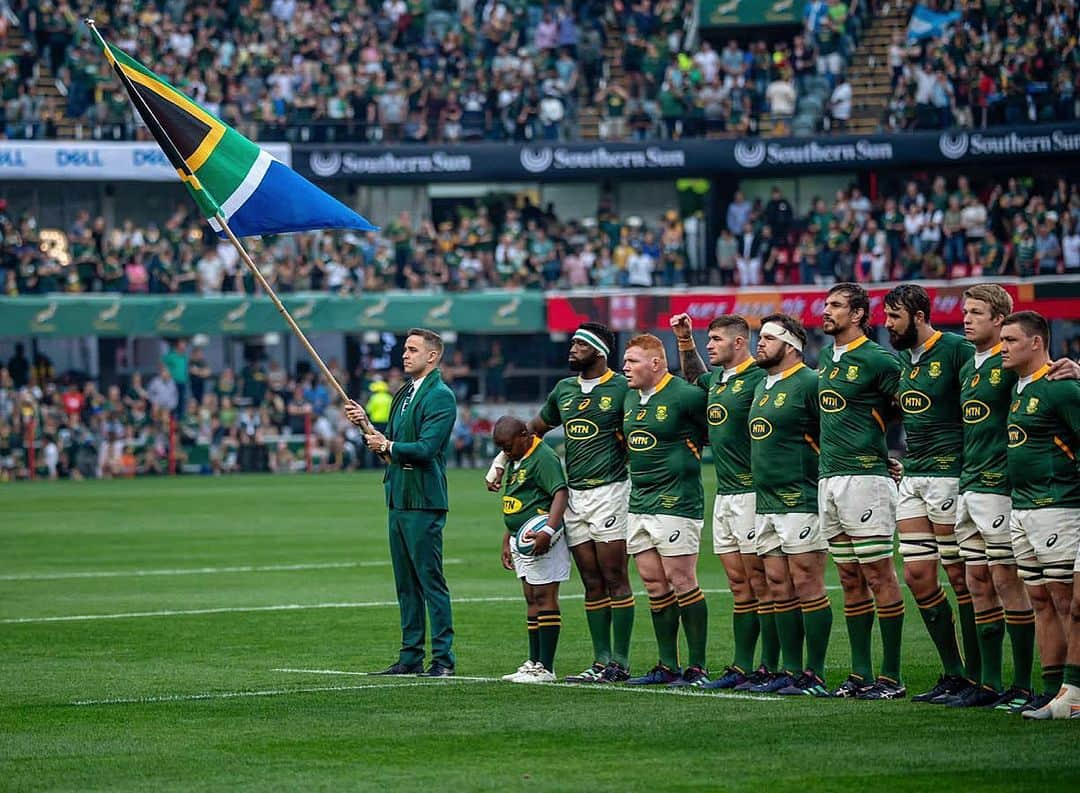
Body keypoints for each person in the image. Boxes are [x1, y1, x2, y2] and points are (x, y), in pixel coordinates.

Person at [487, 322, 635, 684]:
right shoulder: (564, 390)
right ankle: (601, 662)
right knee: (591, 581)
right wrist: (501, 462)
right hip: (576, 496)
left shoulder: (621, 387)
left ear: (598, 351)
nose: (571, 350)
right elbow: (531, 429)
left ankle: (621, 661)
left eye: (578, 345)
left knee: (615, 576)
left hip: (611, 490)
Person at [883, 284, 981, 704]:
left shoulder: (957, 351)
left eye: (894, 317)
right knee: (918, 576)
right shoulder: (902, 361)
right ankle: (954, 672)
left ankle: (980, 678)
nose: (887, 325)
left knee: (961, 577)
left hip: (951, 476)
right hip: (915, 475)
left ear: (919, 316)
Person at [670, 313, 777, 691]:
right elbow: (697, 378)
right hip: (726, 493)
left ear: (738, 342)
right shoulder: (718, 379)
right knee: (738, 583)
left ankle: (769, 666)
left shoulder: (760, 378)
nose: (710, 344)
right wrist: (685, 341)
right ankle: (742, 666)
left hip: (754, 492)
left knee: (761, 582)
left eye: (715, 339)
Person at [346, 328, 457, 677]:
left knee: (429, 580)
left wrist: (388, 446)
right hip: (397, 496)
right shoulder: (404, 393)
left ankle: (442, 659)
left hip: (423, 499)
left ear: (432, 356)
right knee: (405, 584)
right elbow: (389, 449)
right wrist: (367, 427)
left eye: (412, 350)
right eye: (405, 349)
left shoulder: (440, 396)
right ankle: (410, 657)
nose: (404, 355)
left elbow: (426, 449)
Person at [818, 283, 907, 700]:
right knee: (850, 578)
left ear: (857, 314)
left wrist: (886, 448)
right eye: (826, 304)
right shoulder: (825, 357)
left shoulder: (879, 359)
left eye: (835, 305)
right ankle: (859, 673)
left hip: (865, 480)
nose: (826, 310)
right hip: (829, 477)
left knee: (879, 574)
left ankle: (890, 676)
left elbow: (911, 405)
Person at [953, 284, 1037, 712]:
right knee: (977, 582)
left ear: (1000, 318)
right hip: (969, 486)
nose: (966, 318)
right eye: (965, 311)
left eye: (976, 312)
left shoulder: (1012, 363)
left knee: (1007, 581)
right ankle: (988, 682)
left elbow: (1047, 375)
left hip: (1000, 487)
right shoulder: (970, 366)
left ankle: (1023, 684)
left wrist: (1071, 368)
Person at [998, 311, 1080, 720]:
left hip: (1058, 506)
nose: (1003, 348)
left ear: (1036, 343)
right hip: (1024, 508)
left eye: (1010, 340)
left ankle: (1074, 691)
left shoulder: (1060, 388)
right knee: (1041, 601)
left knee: (1067, 602)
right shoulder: (1018, 387)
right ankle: (1051, 692)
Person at [747, 314, 832, 697]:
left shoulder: (810, 382)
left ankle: (814, 673)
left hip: (801, 498)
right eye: (759, 337)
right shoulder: (762, 385)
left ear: (791, 345)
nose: (759, 343)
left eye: (768, 337)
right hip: (765, 502)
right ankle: (790, 670)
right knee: (778, 586)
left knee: (806, 584)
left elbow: (833, 434)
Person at [621, 333, 710, 686]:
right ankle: (667, 665)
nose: (625, 367)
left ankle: (698, 667)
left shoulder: (687, 396)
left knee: (682, 580)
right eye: (625, 361)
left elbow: (719, 430)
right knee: (655, 585)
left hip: (678, 502)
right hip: (639, 502)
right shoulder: (629, 399)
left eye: (633, 361)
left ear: (656, 363)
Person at [493, 416, 571, 684]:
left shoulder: (543, 457)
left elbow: (560, 493)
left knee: (544, 596)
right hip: (521, 538)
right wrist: (508, 537)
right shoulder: (517, 458)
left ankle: (546, 667)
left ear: (524, 435)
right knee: (531, 597)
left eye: (507, 446)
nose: (505, 452)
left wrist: (548, 531)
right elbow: (518, 501)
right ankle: (534, 662)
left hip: (542, 538)